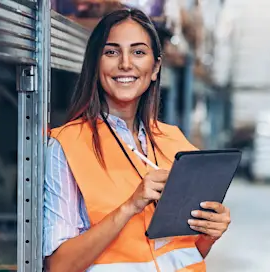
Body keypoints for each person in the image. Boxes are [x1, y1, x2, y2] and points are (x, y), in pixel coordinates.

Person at [43, 8, 231, 272]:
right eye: (111, 52)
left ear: (155, 68)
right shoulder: (66, 146)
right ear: (95, 64)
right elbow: (58, 266)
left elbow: (184, 252)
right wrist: (130, 206)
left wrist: (209, 232)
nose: (125, 64)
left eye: (138, 52)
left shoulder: (175, 143)